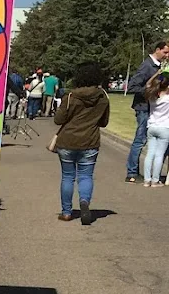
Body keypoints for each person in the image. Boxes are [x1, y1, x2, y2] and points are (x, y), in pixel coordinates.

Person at [52, 63, 111, 224]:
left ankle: (66, 212)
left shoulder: (71, 97)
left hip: (67, 141)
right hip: (90, 141)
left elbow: (58, 120)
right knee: (86, 176)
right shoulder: (103, 97)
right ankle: (84, 201)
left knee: (68, 176)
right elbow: (104, 122)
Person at [125, 40, 169, 182]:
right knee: (140, 140)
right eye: (165, 52)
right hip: (143, 108)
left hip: (153, 110)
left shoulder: (158, 66)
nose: (167, 55)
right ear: (157, 50)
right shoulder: (147, 66)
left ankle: (153, 174)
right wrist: (150, 91)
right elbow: (132, 87)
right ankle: (131, 173)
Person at [140, 71, 169, 188]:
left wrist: (156, 74)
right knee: (159, 155)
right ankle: (155, 180)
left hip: (151, 126)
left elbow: (148, 84)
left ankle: (147, 180)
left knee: (150, 154)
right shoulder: (167, 98)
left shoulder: (151, 96)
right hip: (165, 128)